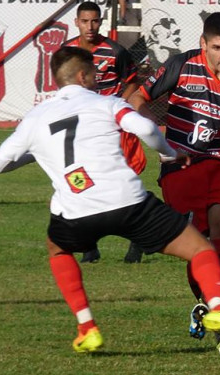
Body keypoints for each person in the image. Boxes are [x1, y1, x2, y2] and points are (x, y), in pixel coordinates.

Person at [0, 46, 220, 354]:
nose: (97, 77)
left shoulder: (35, 117)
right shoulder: (107, 103)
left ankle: (87, 328)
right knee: (201, 249)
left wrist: (33, 155)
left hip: (77, 209)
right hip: (127, 201)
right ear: (83, 76)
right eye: (94, 72)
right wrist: (169, 153)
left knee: (57, 249)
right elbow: (146, 127)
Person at [128, 12, 220, 359]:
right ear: (203, 44)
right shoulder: (180, 66)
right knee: (197, 243)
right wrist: (155, 134)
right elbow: (136, 99)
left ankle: (215, 314)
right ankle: (214, 312)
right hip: (179, 164)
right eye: (218, 47)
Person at [62, 1, 146, 264]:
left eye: (95, 21)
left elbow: (132, 82)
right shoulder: (67, 53)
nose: (90, 26)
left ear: (101, 22)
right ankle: (90, 247)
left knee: (126, 186)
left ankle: (137, 242)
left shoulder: (115, 51)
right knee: (83, 185)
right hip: (83, 132)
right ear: (76, 22)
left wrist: (116, 107)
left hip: (113, 130)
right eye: (85, 21)